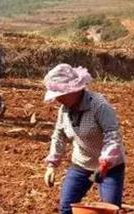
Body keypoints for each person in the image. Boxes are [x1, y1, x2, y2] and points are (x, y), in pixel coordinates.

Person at [43, 64, 126, 214]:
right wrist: (51, 164)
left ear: (74, 91)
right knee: (66, 207)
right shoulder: (65, 109)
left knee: (110, 210)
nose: (57, 99)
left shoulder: (99, 106)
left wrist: (105, 163)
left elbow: (112, 136)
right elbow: (59, 135)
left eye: (60, 94)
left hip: (110, 168)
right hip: (81, 163)